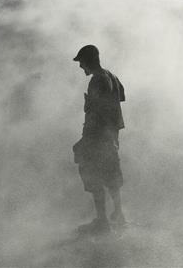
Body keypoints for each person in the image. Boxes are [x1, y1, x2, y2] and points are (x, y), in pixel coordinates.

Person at [72, 44, 126, 234]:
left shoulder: (96, 80)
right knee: (111, 176)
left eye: (81, 62)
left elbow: (96, 113)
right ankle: (119, 214)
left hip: (98, 137)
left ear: (89, 61)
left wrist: (84, 140)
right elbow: (118, 102)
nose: (81, 66)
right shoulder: (112, 77)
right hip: (110, 136)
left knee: (92, 175)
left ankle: (102, 222)